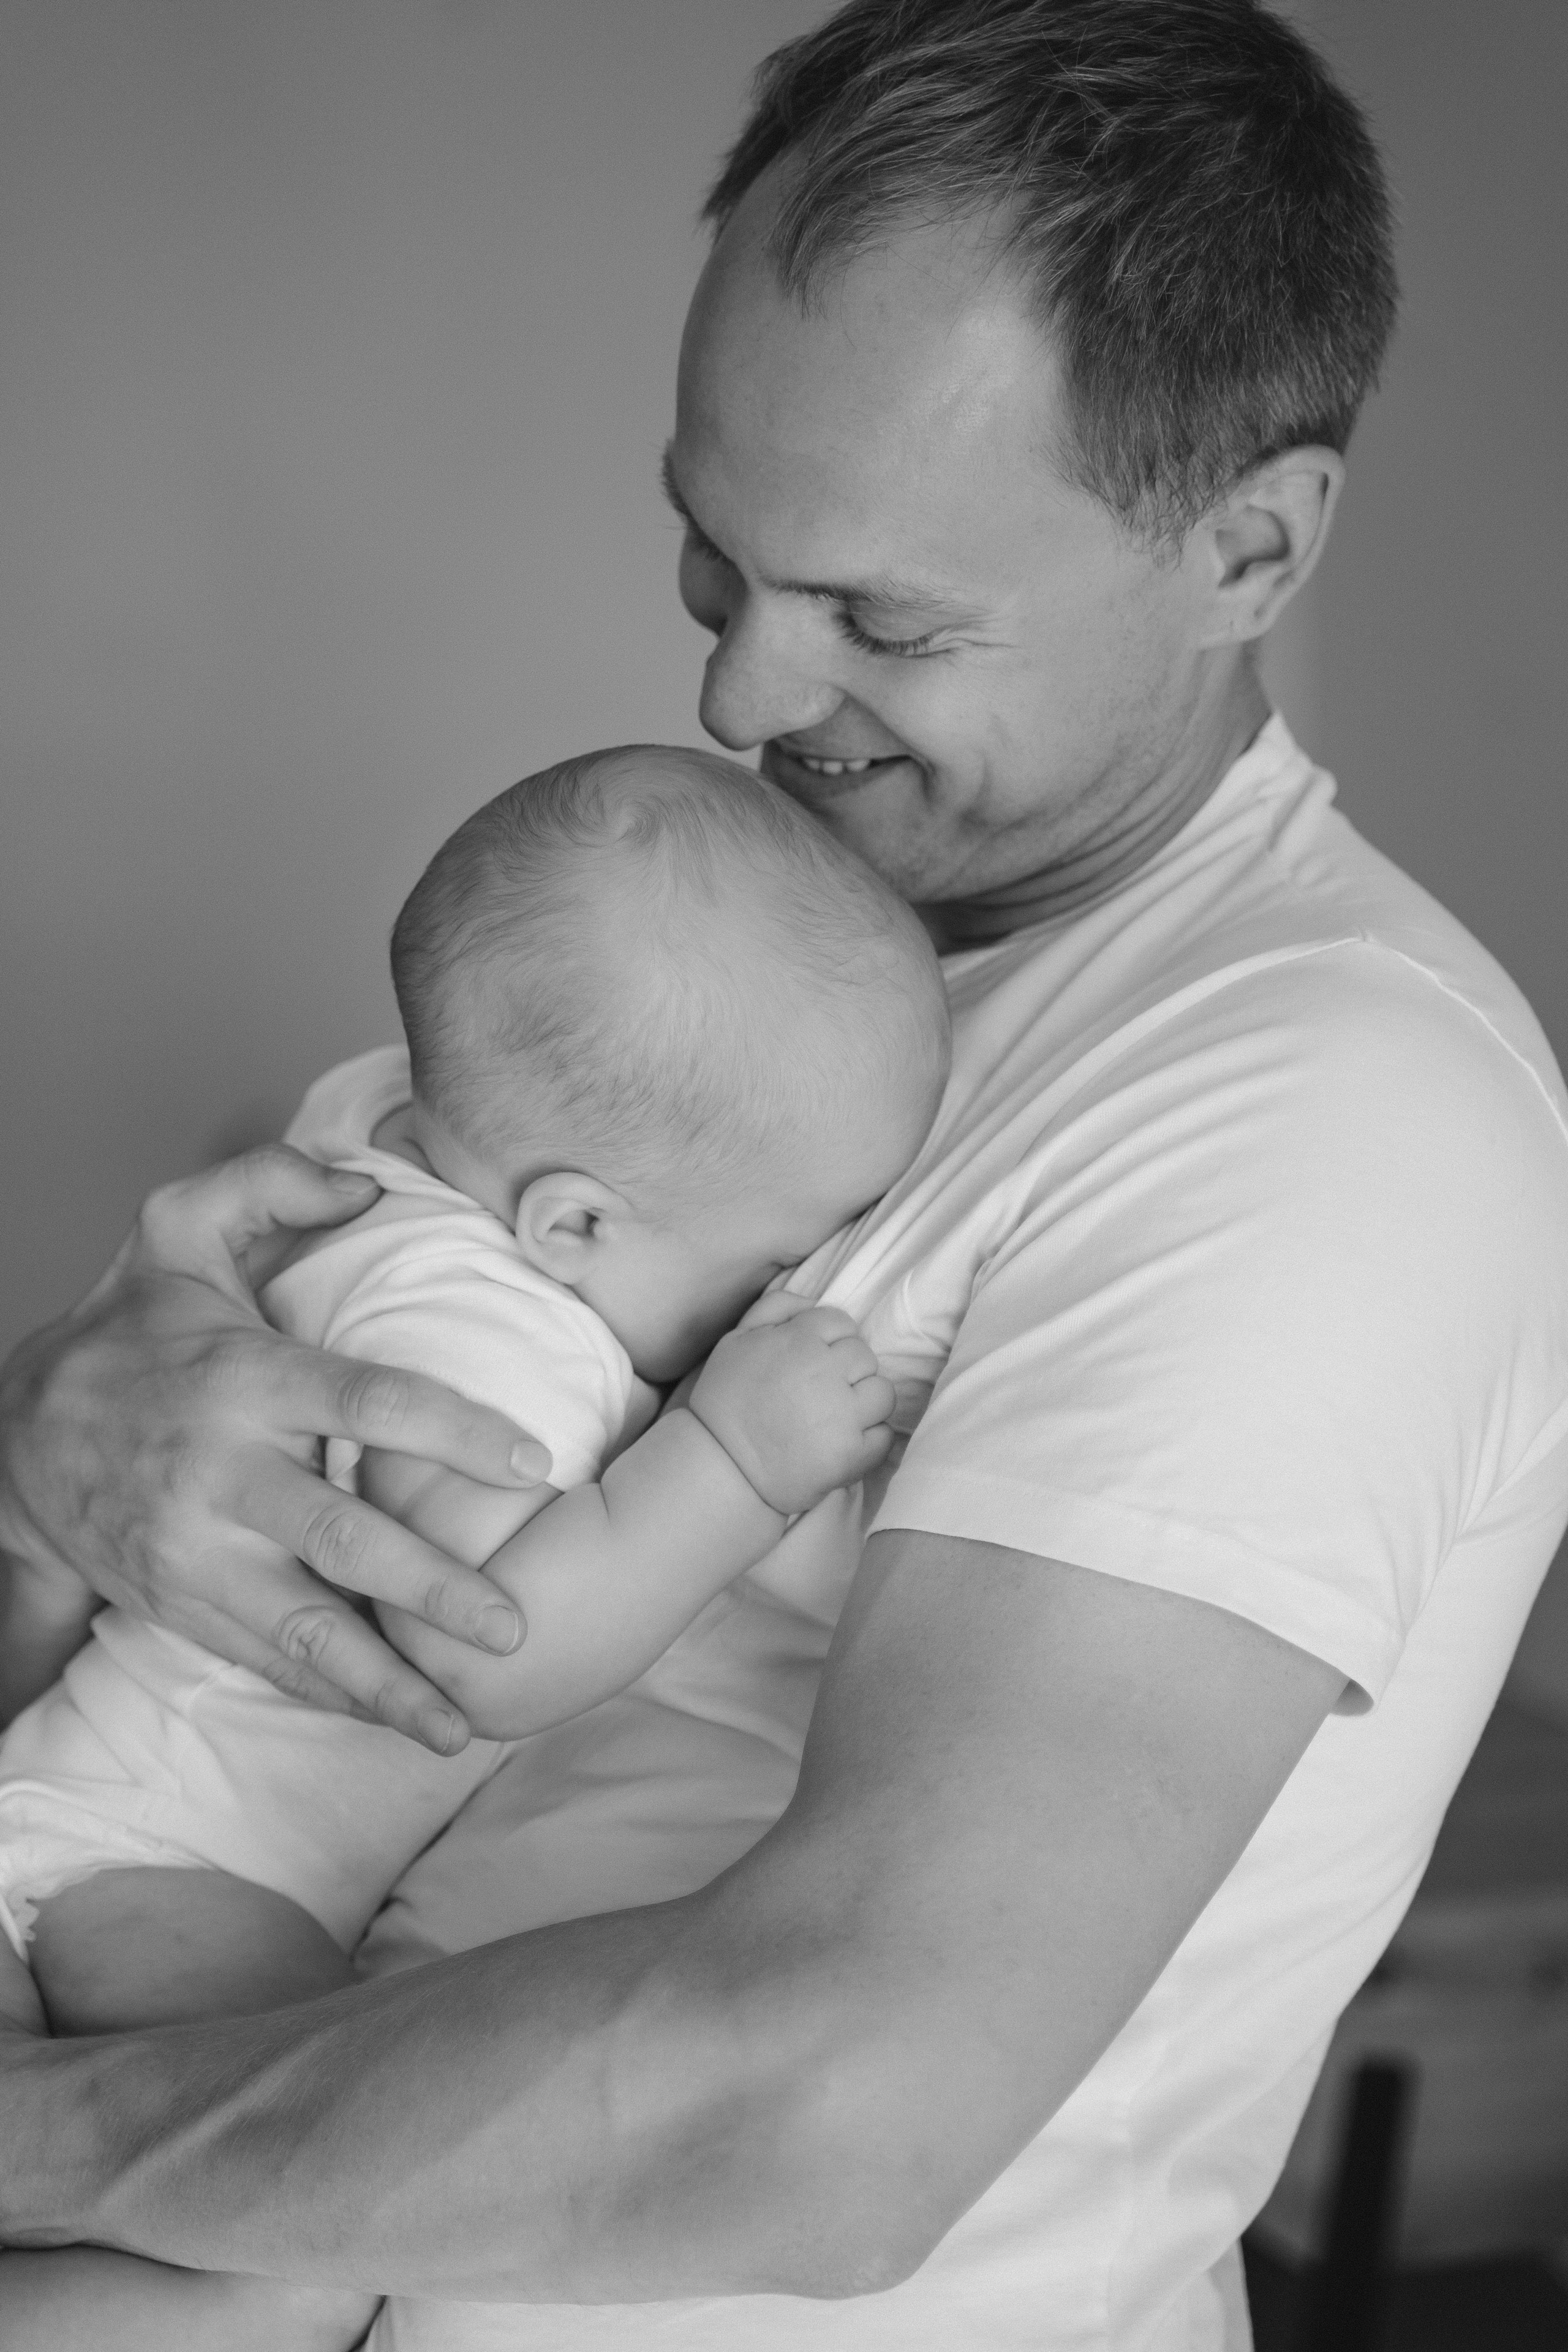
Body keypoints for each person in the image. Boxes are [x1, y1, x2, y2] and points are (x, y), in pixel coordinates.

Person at [3, 4, 1567, 2348]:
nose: (739, 694)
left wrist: (36, 2147)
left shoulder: (1328, 1108)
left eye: (882, 615)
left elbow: (835, 2104)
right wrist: (60, 1453)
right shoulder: (726, 959)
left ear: (1250, 546)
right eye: (708, 556)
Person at [0, 742, 948, 2348]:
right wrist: (736, 1455)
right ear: (571, 1224)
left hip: (101, 1807)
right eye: (774, 1257)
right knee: (291, 2271)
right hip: (162, 1861)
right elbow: (485, 1641)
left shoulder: (378, 1145)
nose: (778, 1299)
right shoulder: (480, 1332)